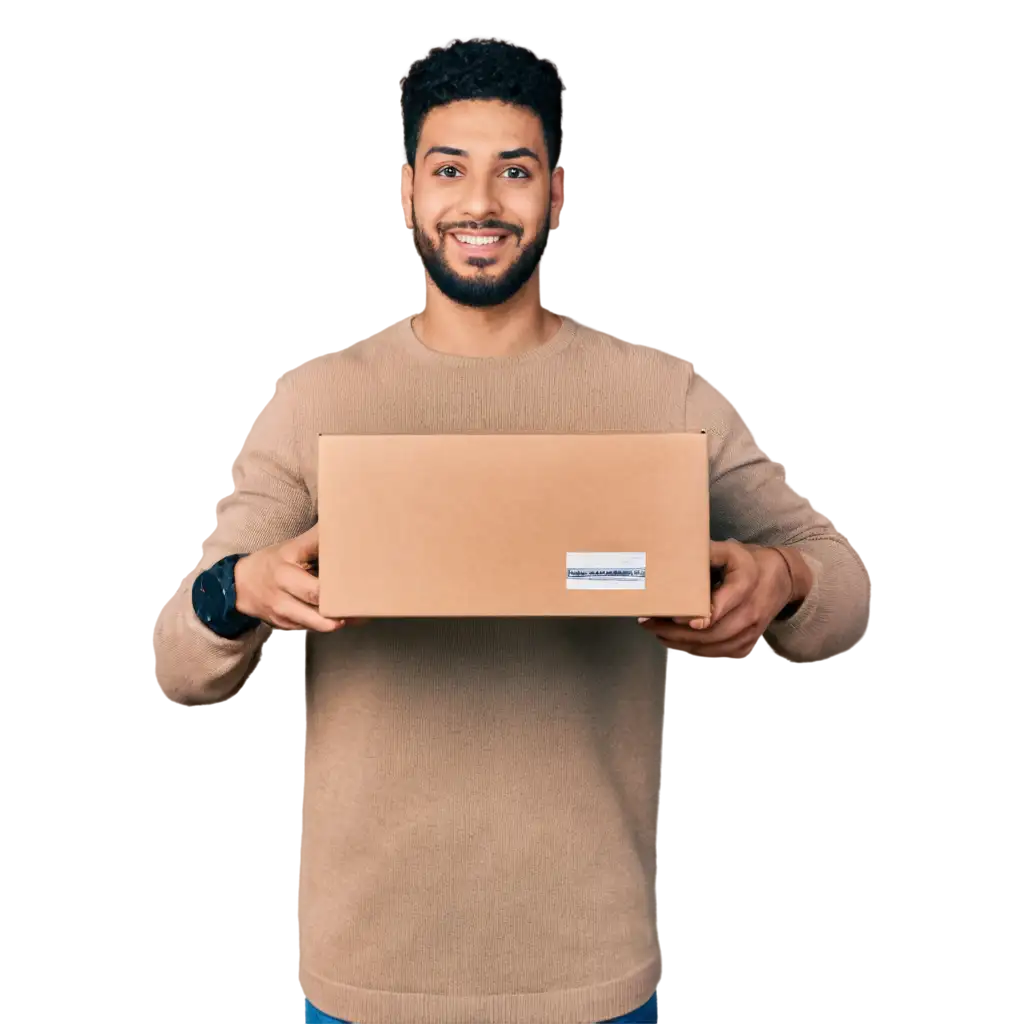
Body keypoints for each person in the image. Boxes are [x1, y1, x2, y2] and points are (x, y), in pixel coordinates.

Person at [151, 39, 870, 1024]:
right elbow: (177, 663)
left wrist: (780, 577)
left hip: (591, 968)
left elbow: (843, 594)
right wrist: (237, 587)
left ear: (557, 193)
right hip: (368, 973)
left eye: (514, 171)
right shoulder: (314, 398)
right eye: (449, 169)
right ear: (406, 191)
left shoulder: (660, 393)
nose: (480, 202)